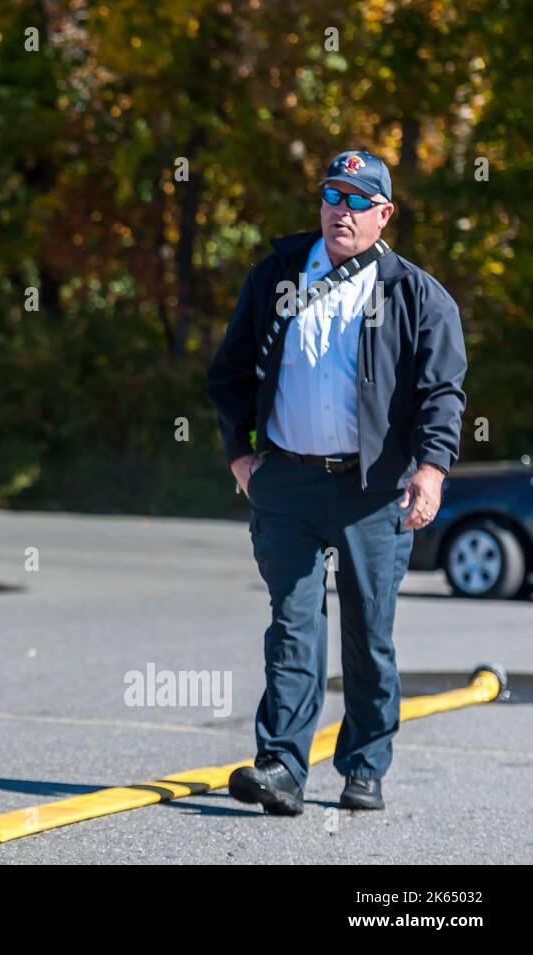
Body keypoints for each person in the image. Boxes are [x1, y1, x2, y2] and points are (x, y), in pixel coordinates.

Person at [207, 149, 467, 815]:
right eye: (331, 195)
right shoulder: (277, 277)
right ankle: (282, 766)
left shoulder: (416, 294)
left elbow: (442, 394)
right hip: (287, 481)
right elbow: (229, 372)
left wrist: (432, 471)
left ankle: (364, 763)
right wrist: (243, 456)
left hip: (374, 489)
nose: (340, 211)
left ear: (384, 214)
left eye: (357, 200)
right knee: (292, 627)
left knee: (368, 633)